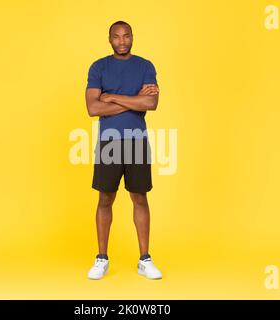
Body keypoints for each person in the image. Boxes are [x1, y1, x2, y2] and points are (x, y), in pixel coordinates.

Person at [85, 20, 162, 280]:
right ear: (109, 40)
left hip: (136, 141)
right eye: (116, 37)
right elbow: (93, 109)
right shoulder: (99, 67)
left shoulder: (145, 66)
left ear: (132, 37)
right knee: (105, 199)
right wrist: (133, 100)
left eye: (126, 36)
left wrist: (112, 96)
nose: (121, 41)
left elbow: (151, 103)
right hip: (109, 143)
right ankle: (102, 258)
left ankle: (145, 259)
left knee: (140, 197)